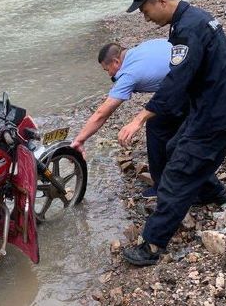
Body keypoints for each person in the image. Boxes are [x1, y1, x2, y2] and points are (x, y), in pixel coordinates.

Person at [118, 0, 226, 266]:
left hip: (218, 115)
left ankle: (152, 245)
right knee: (174, 147)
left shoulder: (189, 29)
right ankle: (214, 193)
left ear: (162, 1)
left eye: (145, 10)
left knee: (177, 176)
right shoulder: (190, 19)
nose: (146, 18)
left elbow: (177, 80)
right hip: (213, 106)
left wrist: (140, 118)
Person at [70, 40, 183, 196]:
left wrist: (79, 140)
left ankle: (164, 187)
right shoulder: (141, 48)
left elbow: (101, 114)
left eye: (107, 69)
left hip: (190, 90)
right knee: (159, 124)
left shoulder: (129, 74)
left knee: (159, 130)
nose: (109, 74)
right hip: (188, 74)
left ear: (116, 61)